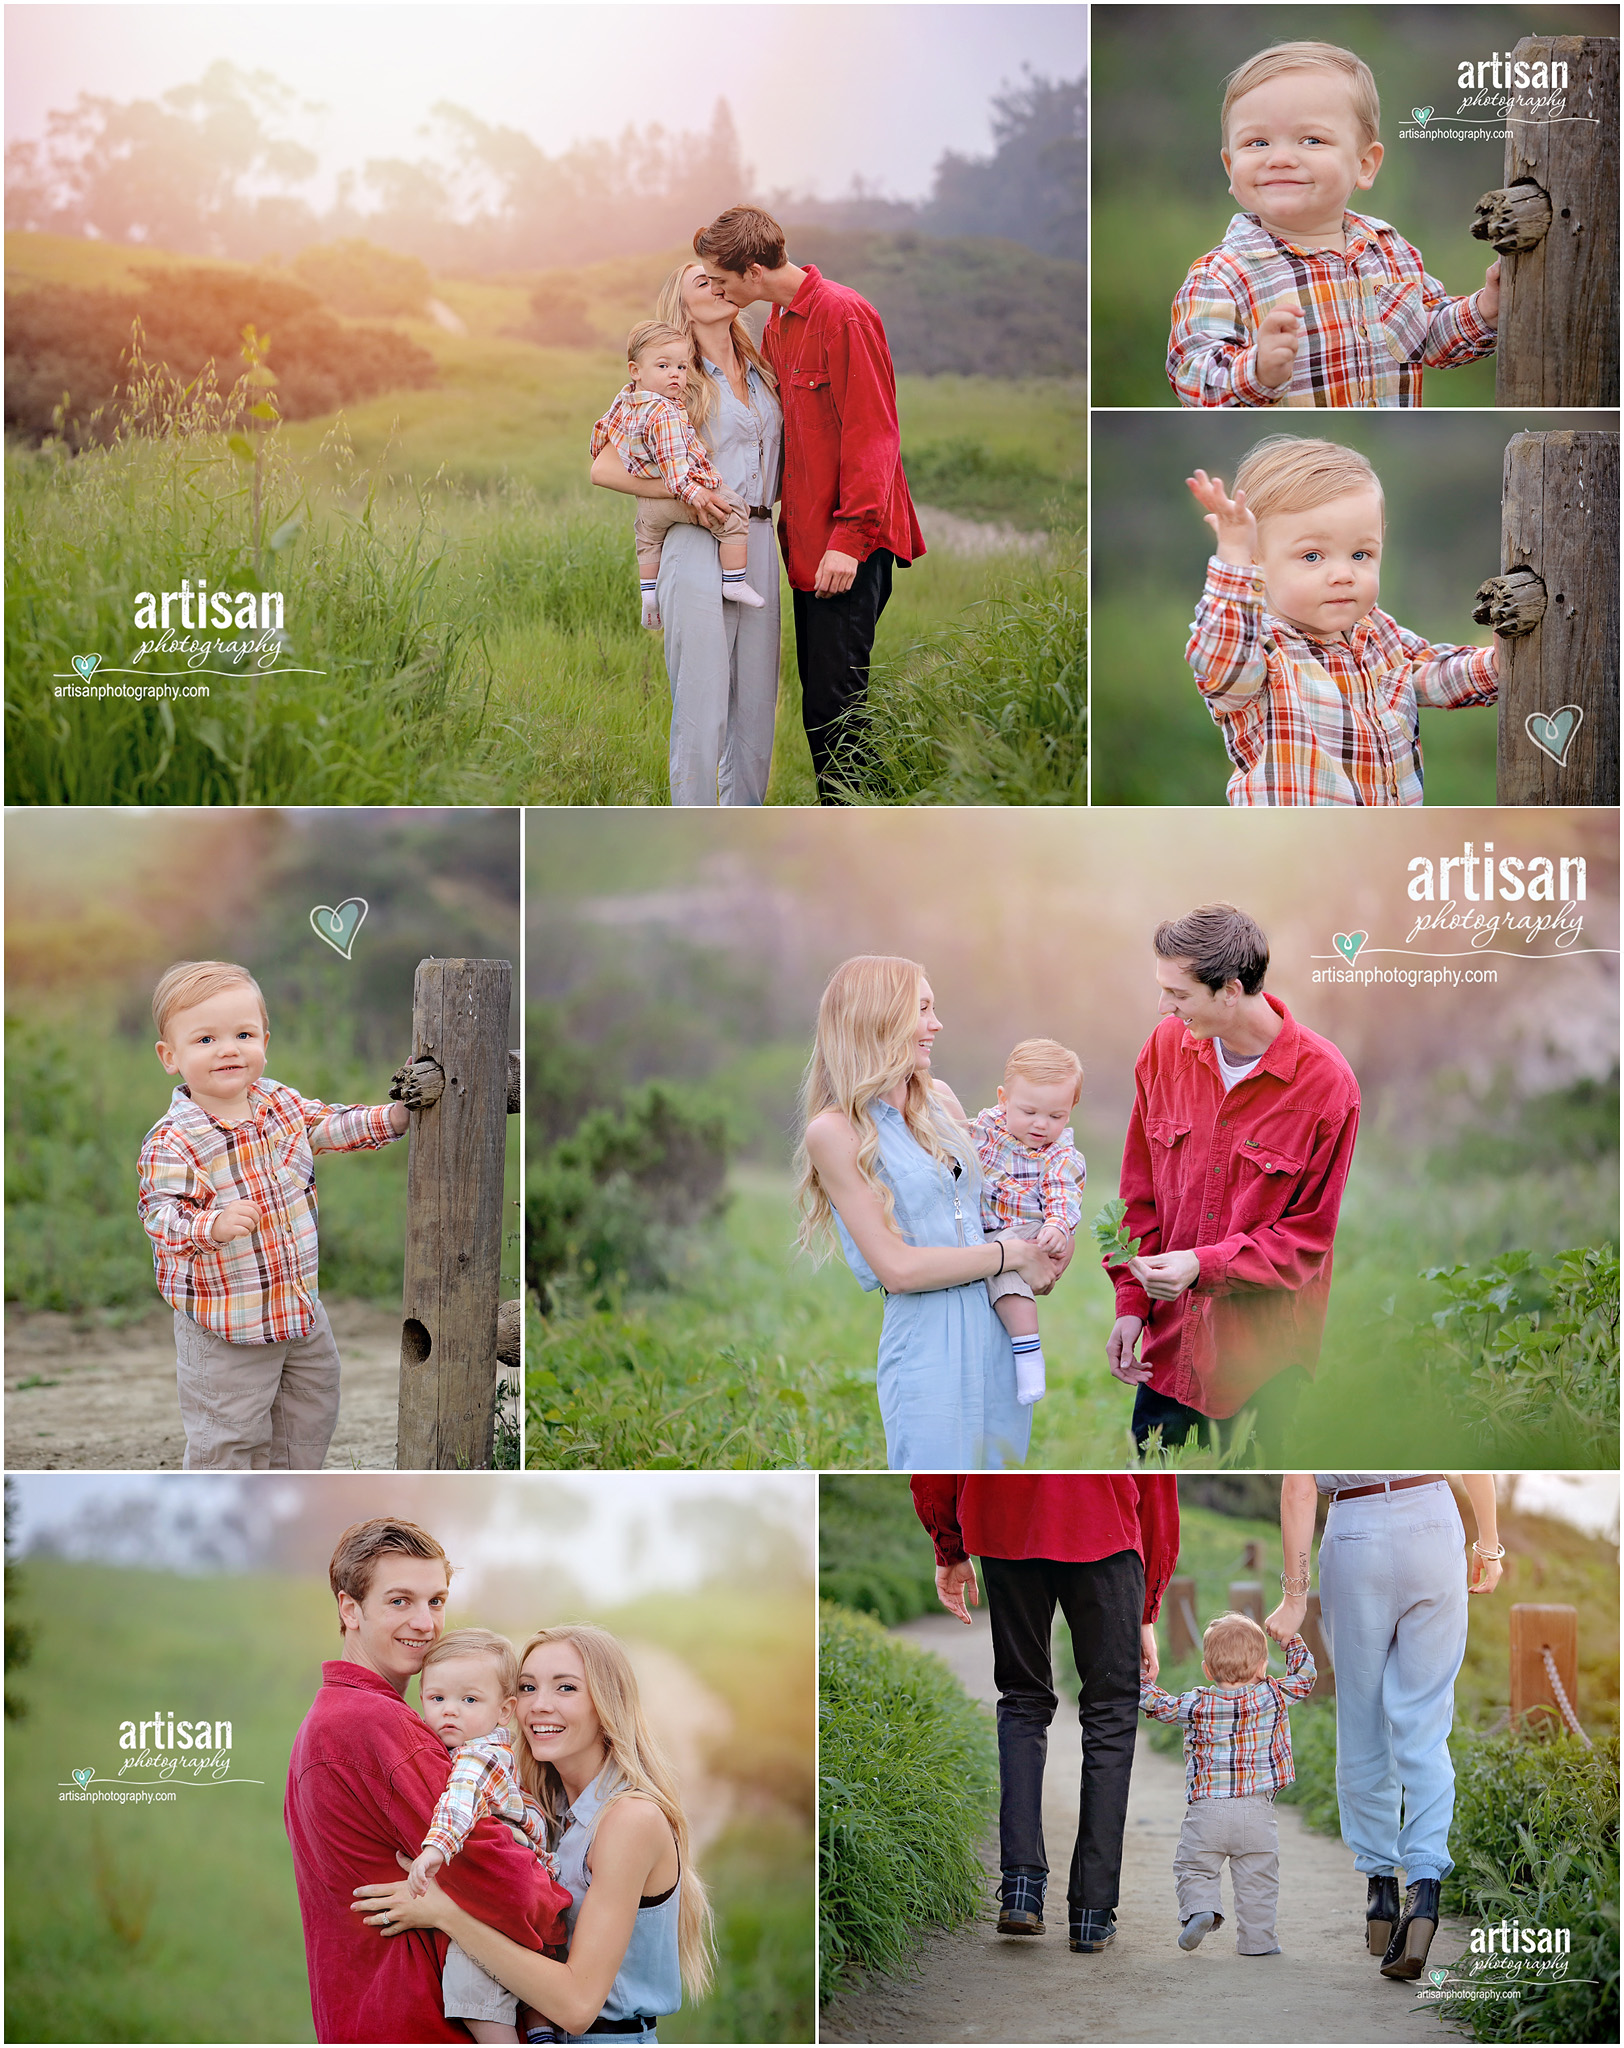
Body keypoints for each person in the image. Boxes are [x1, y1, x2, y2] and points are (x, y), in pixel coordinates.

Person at [353, 1625, 715, 2045]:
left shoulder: (629, 1819)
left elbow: (578, 2007)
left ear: (606, 1704)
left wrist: (445, 1913)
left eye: (566, 1688)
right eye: (528, 1687)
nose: (540, 1706)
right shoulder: (542, 1807)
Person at [285, 1520, 569, 2044]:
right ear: (350, 1610)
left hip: (364, 2017)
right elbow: (506, 1884)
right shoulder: (374, 1724)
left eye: (436, 1601)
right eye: (399, 1601)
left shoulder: (325, 1718)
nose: (425, 1622)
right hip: (421, 2020)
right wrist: (559, 1911)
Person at [137, 960, 416, 1471]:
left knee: (312, 1409)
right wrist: (210, 1225)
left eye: (243, 1033)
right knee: (230, 1433)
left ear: (265, 1038)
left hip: (298, 1308)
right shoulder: (175, 1139)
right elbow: (160, 1215)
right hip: (227, 1323)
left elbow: (329, 1124)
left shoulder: (278, 1103)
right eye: (204, 1040)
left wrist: (394, 1117)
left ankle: (288, 1491)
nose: (228, 1049)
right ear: (169, 1056)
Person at [1106, 904, 1360, 1459]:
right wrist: (1131, 1303)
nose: (1163, 1007)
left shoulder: (1326, 1085)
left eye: (1178, 994)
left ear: (1230, 991)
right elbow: (1138, 1194)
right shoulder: (1163, 1051)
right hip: (1168, 1355)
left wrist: (1203, 1264)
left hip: (1263, 1368)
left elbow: (1305, 1241)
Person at [693, 204, 925, 803]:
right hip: (806, 546)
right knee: (824, 707)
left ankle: (868, 825)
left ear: (750, 269)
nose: (717, 289)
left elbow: (874, 438)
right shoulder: (778, 324)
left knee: (836, 711)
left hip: (847, 549)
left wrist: (848, 543)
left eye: (721, 278)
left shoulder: (844, 316)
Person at [795, 955, 1060, 1469]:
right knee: (942, 1500)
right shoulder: (834, 1132)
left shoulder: (941, 1099)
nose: (936, 1024)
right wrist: (1011, 1255)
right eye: (922, 1009)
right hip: (927, 1345)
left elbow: (988, 1214)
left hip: (996, 1333)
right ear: (880, 1018)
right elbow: (898, 1269)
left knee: (996, 1499)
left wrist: (1047, 1241)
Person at [911, 1473, 1179, 1955]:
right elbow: (1156, 1485)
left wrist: (948, 1547)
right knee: (1111, 1714)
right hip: (1105, 1526)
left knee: (1022, 1700)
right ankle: (1093, 1913)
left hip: (1005, 1524)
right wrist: (1147, 1606)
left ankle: (1020, 1889)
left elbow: (937, 1468)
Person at [1168, 40, 1499, 406]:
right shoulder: (1221, 276)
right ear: (1231, 168)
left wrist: (1486, 310)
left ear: (1364, 164)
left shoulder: (1389, 250)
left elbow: (1430, 335)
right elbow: (1191, 378)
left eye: (1312, 139)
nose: (1279, 158)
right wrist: (1257, 369)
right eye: (1257, 142)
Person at [1267, 1474, 1504, 1979]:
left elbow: (1298, 1487)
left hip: (1356, 1530)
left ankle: (1380, 1893)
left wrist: (1294, 1595)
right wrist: (1489, 1544)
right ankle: (1424, 1888)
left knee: (1361, 1720)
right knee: (1425, 1726)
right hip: (1434, 1524)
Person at [1186, 437, 1498, 806]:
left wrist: (1497, 665)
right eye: (1313, 556)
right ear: (1257, 560)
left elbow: (1428, 675)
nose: (1342, 574)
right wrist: (1234, 555)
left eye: (1360, 553)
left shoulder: (1376, 631)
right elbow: (1223, 666)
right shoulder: (1260, 648)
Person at [590, 263, 782, 808]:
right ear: (682, 300)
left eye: (724, 278)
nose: (720, 286)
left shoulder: (760, 367)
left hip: (757, 540)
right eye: (704, 282)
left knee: (756, 708)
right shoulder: (669, 374)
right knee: (703, 706)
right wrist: (684, 498)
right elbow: (603, 469)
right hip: (697, 540)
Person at [1139, 1611, 1317, 1956]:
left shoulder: (1196, 1705)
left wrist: (1141, 1678)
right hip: (1258, 1812)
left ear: (1207, 1670)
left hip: (1207, 1812)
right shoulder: (1273, 1696)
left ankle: (1201, 1908)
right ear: (1263, 1667)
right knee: (1259, 1881)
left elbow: (1157, 1704)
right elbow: (1306, 1676)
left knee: (1194, 1867)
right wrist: (1290, 1639)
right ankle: (1259, 1942)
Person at [409, 1630, 554, 2044]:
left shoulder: (477, 1755)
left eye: (469, 1700)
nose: (450, 1711)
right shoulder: (498, 1748)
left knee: (471, 1987)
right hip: (529, 1887)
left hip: (507, 1891)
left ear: (505, 1709)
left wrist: (434, 1848)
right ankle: (540, 2029)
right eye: (437, 1699)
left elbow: (462, 1798)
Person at [589, 322, 763, 630]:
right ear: (635, 370)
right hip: (678, 493)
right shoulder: (665, 411)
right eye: (663, 366)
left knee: (647, 540)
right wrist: (695, 492)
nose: (675, 374)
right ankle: (734, 580)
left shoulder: (628, 399)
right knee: (732, 512)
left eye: (681, 367)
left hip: (648, 503)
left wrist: (600, 449)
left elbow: (602, 429)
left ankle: (649, 596)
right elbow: (674, 464)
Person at [972, 1039, 1088, 1408]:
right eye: (1029, 1112)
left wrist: (1056, 1226)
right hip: (984, 1228)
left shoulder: (1059, 1153)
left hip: (1025, 1230)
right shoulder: (985, 1127)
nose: (1041, 1125)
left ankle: (1028, 1354)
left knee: (1007, 1273)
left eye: (1056, 1116)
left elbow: (1061, 1191)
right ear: (1003, 1099)